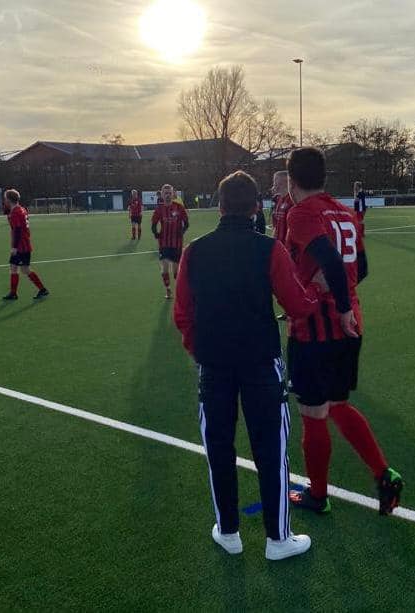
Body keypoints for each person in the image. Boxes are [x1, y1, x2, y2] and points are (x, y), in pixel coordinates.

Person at [174, 170, 321, 560]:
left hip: (214, 366)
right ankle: (278, 539)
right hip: (260, 364)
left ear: (219, 206)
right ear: (257, 206)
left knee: (218, 448)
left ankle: (229, 531)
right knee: (271, 448)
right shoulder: (269, 250)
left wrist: (201, 351)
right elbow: (297, 305)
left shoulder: (194, 251)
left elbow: (182, 314)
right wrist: (318, 294)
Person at [284, 147, 403, 516]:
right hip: (349, 328)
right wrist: (347, 304)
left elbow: (332, 262)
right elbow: (360, 268)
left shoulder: (301, 213)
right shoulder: (346, 212)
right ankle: (385, 473)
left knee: (313, 411)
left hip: (316, 329)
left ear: (291, 180)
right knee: (337, 405)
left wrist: (330, 299)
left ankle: (318, 495)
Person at [1, 189, 49, 301]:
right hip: (23, 244)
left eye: (5, 199)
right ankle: (13, 293)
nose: (4, 201)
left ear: (8, 200)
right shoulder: (21, 209)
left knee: (24, 270)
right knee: (14, 268)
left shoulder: (16, 212)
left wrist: (14, 247)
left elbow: (17, 230)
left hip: (21, 246)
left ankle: (42, 289)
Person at [151, 184, 189, 299]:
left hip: (176, 243)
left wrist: (181, 232)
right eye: (165, 193)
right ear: (162, 194)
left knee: (176, 271)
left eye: (169, 193)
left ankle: (179, 289)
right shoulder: (159, 209)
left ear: (173, 194)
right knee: (164, 268)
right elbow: (153, 224)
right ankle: (168, 290)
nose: (167, 195)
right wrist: (156, 233)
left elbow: (187, 224)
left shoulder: (179, 207)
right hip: (164, 243)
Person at [271, 171, 295, 321]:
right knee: (280, 282)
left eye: (276, 181)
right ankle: (288, 310)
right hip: (279, 248)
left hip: (289, 249)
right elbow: (276, 225)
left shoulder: (292, 201)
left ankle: (292, 310)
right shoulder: (280, 200)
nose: (274, 184)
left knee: (290, 281)